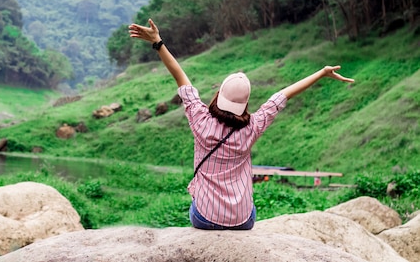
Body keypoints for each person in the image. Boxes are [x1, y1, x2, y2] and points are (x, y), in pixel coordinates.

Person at [128, 18, 355, 230]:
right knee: (249, 208)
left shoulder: (200, 120)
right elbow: (282, 96)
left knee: (196, 204)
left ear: (219, 96)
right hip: (243, 220)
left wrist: (158, 42)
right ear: (245, 104)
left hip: (204, 218)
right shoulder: (253, 127)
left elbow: (180, 77)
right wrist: (322, 73)